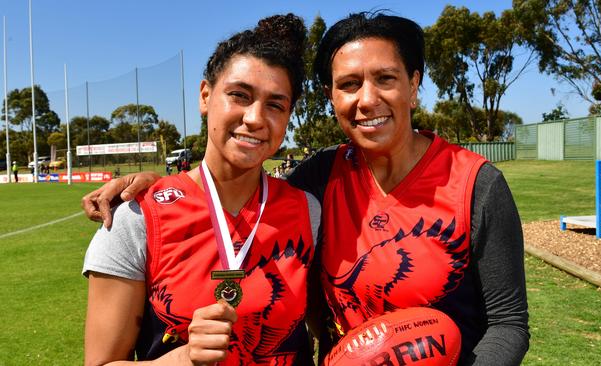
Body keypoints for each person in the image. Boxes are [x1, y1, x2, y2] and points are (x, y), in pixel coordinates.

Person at [82, 11, 529, 365]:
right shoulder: (319, 179)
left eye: (386, 79)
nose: (366, 99)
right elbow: (223, 197)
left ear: (413, 86)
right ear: (333, 97)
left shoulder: (477, 184)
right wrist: (157, 191)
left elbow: (509, 323)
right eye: (349, 85)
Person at [83, 13, 321, 365]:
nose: (255, 117)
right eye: (239, 95)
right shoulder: (137, 218)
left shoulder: (309, 211)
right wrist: (182, 359)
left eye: (275, 104)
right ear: (205, 95)